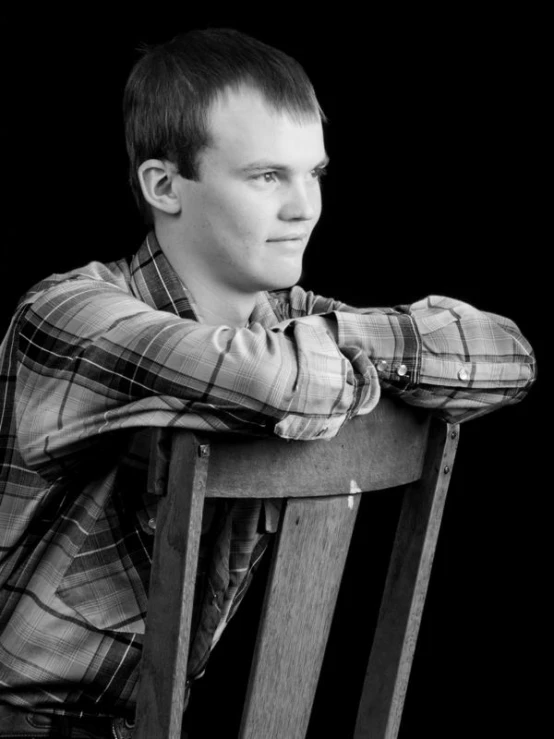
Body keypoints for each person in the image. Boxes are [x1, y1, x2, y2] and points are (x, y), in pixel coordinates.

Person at [0, 27, 535, 739]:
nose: (304, 207)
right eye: (266, 177)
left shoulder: (294, 324)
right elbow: (268, 382)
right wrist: (374, 352)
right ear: (164, 185)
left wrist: (342, 339)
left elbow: (507, 356)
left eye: (313, 173)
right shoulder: (66, 315)